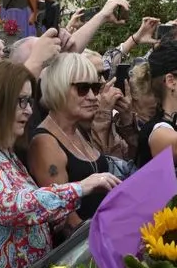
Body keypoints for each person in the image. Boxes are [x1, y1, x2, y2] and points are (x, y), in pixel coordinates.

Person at [0, 60, 118, 268]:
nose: (29, 110)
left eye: (28, 101)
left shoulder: (4, 153)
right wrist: (79, 188)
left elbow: (35, 213)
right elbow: (11, 207)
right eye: (20, 102)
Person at [28, 53, 116, 234]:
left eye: (95, 88)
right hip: (85, 250)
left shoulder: (78, 129)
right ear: (58, 88)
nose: (92, 96)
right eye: (83, 88)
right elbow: (66, 218)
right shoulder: (45, 142)